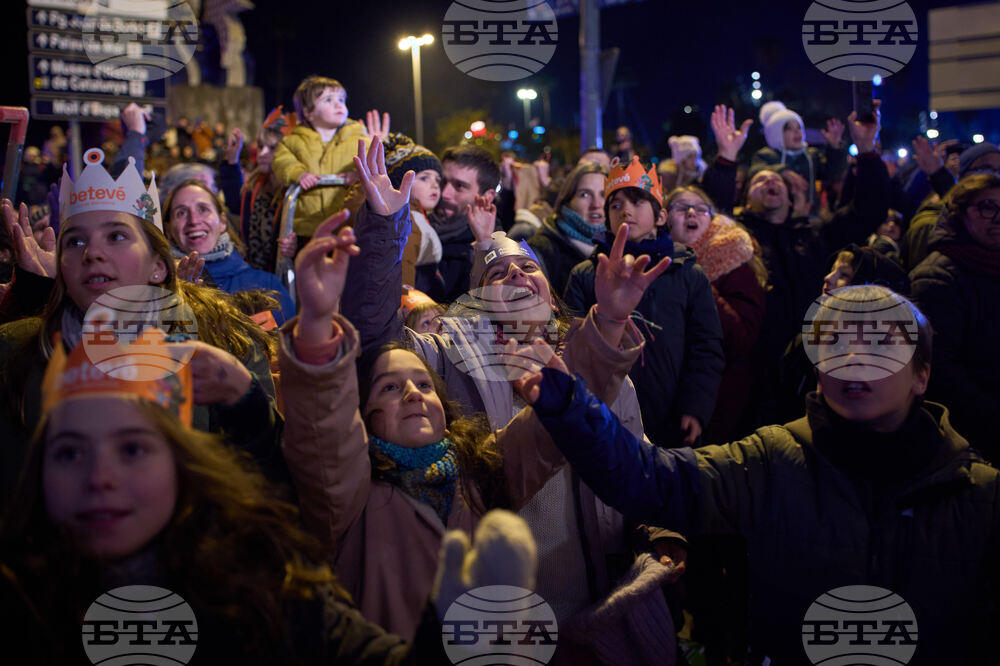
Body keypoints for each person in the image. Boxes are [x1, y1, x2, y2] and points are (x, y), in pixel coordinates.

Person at [528, 285, 1000, 665]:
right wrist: (571, 407)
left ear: (921, 375)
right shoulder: (774, 459)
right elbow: (653, 481)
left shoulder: (979, 493)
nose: (855, 358)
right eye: (835, 343)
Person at [339, 139, 680, 659]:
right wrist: (386, 230)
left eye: (528, 269)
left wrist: (655, 526)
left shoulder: (601, 364)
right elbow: (373, 340)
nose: (517, 275)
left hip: (594, 598)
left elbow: (636, 455)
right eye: (498, 274)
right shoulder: (445, 358)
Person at [0, 335, 457, 664]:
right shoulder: (22, 605)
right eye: (70, 452)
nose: (99, 478)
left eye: (133, 449)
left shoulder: (262, 585)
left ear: (179, 464)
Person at [279, 217, 569, 640]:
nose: (414, 394)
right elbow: (326, 428)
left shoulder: (474, 472)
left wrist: (601, 343)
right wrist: (319, 320)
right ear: (367, 413)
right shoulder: (348, 494)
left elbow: (547, 435)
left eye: (423, 385)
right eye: (391, 387)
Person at [0, 149, 283, 509]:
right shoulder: (16, 353)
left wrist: (244, 403)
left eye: (116, 236)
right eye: (75, 241)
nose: (92, 253)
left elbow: (269, 484)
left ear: (158, 267)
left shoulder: (225, 343)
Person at [738, 108, 888, 422]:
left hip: (815, 367)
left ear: (791, 199)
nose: (770, 182)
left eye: (777, 180)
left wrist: (866, 151)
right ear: (745, 197)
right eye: (760, 179)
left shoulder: (815, 235)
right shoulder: (735, 239)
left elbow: (867, 211)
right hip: (754, 376)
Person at [564, 156, 725, 448]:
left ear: (660, 216)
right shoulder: (586, 275)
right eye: (616, 205)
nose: (625, 210)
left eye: (637, 201)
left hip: (672, 421)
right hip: (605, 418)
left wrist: (695, 406)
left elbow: (706, 348)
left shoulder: (688, 274)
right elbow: (571, 344)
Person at [664, 185, 766, 444]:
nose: (691, 213)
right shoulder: (655, 263)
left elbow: (742, 335)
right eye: (681, 207)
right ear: (663, 218)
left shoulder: (732, 259)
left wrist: (698, 281)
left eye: (701, 208)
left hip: (723, 402)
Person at [910, 173, 1000, 462]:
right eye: (988, 207)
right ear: (960, 214)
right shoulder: (937, 277)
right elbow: (941, 371)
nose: (998, 217)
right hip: (972, 440)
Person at [163, 179, 295, 324]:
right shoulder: (159, 289)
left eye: (203, 209)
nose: (193, 221)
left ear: (223, 222)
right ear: (168, 230)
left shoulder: (265, 284)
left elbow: (285, 343)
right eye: (181, 213)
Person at [272, 76, 379, 244]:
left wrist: (356, 176)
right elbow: (282, 162)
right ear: (308, 112)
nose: (338, 104)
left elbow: (371, 164)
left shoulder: (359, 138)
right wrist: (298, 174)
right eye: (328, 100)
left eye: (341, 99)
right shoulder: (293, 141)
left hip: (348, 225)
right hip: (307, 228)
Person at [219, 106, 298, 273]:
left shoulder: (295, 191)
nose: (262, 153)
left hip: (285, 276)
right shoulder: (256, 185)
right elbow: (235, 205)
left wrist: (296, 247)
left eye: (272, 148)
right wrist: (232, 162)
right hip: (255, 272)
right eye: (261, 146)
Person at [427, 145, 503, 302]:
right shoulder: (413, 228)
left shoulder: (492, 254)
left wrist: (484, 246)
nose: (445, 193)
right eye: (442, 181)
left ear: (487, 196)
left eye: (459, 186)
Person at [525, 161, 609, 296]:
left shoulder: (622, 246)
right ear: (567, 200)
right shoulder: (540, 250)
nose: (596, 204)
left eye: (603, 194)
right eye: (585, 194)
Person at [751, 100, 847, 213]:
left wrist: (834, 148)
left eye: (799, 127)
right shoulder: (765, 155)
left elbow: (833, 173)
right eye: (789, 128)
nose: (797, 132)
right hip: (775, 218)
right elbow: (755, 171)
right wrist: (782, 172)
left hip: (810, 215)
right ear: (775, 133)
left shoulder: (811, 155)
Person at [381, 133, 444, 295]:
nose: (434, 185)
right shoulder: (406, 219)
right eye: (424, 178)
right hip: (413, 307)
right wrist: (405, 307)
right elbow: (403, 267)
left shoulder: (420, 215)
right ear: (400, 182)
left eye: (437, 179)